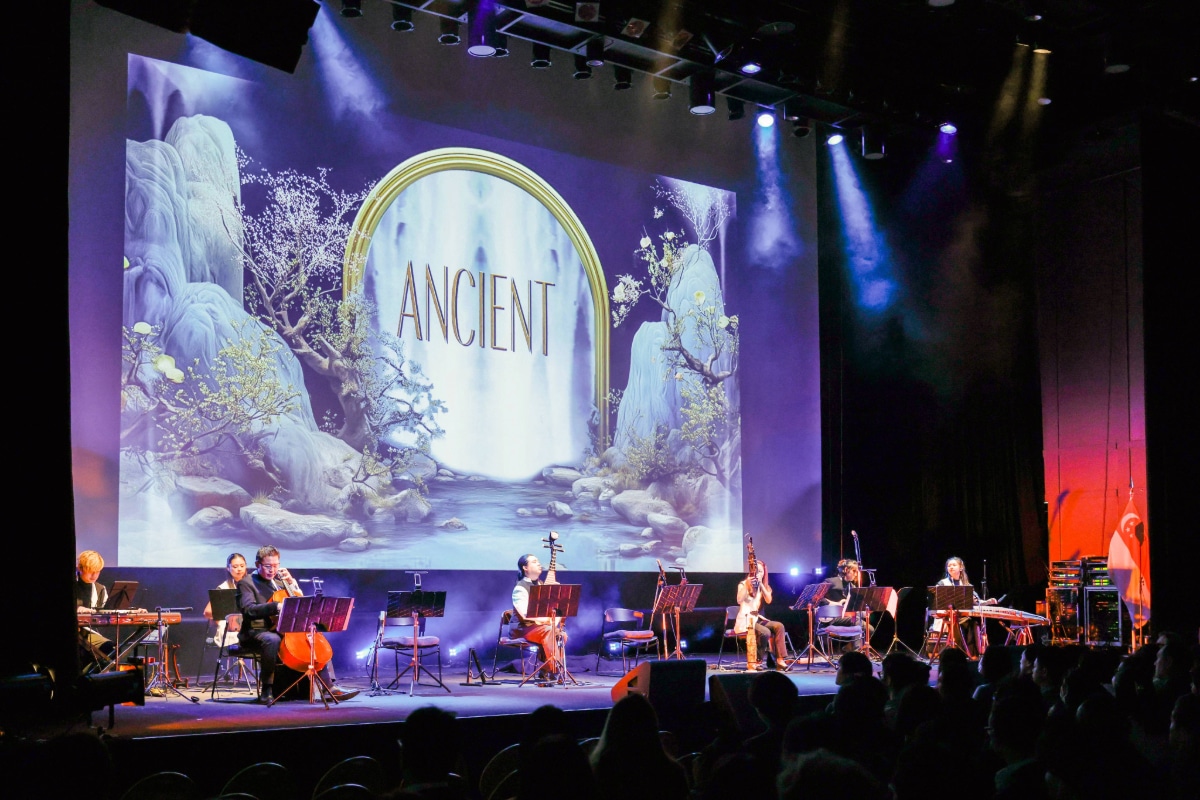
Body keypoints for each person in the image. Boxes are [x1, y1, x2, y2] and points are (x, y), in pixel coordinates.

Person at [236, 545, 358, 704]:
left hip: (282, 628)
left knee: (313, 637)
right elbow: (248, 609)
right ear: (258, 564)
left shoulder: (279, 581)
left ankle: (328, 686)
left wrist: (291, 582)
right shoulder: (247, 583)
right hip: (256, 631)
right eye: (268, 566)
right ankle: (267, 689)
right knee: (272, 640)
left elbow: (298, 602)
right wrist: (276, 606)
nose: (272, 570)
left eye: (275, 565)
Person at [930, 556, 995, 657]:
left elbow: (975, 601)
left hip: (962, 617)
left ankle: (973, 655)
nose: (951, 567)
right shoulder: (942, 583)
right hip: (948, 617)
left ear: (961, 568)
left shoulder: (966, 584)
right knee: (961, 623)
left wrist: (986, 602)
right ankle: (959, 654)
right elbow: (938, 603)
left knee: (973, 623)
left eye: (954, 565)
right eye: (949, 566)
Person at [510, 553, 562, 681]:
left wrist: (556, 593)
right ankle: (555, 670)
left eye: (538, 561)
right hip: (522, 628)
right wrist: (547, 621)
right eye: (534, 561)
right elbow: (525, 616)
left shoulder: (540, 585)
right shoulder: (520, 588)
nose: (538, 564)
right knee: (549, 631)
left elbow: (551, 609)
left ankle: (545, 671)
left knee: (560, 634)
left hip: (539, 627)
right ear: (525, 568)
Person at [735, 558, 788, 669]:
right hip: (746, 619)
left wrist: (762, 585)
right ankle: (757, 661)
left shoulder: (765, 586)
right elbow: (739, 600)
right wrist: (747, 584)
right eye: (757, 571)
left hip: (757, 618)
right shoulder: (743, 584)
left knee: (779, 626)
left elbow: (768, 600)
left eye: (761, 571)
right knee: (765, 632)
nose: (759, 574)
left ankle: (780, 660)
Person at [74, 550, 114, 672]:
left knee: (111, 648)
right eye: (91, 570)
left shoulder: (100, 589)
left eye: (98, 571)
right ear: (80, 568)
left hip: (88, 632)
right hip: (73, 632)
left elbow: (106, 611)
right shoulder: (69, 585)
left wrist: (132, 612)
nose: (94, 575)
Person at [203, 552, 248, 648]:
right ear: (228, 568)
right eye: (235, 566)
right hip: (231, 624)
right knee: (232, 633)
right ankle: (238, 661)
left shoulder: (253, 583)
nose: (239, 569)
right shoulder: (223, 587)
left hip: (249, 622)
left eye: (242, 566)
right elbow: (207, 612)